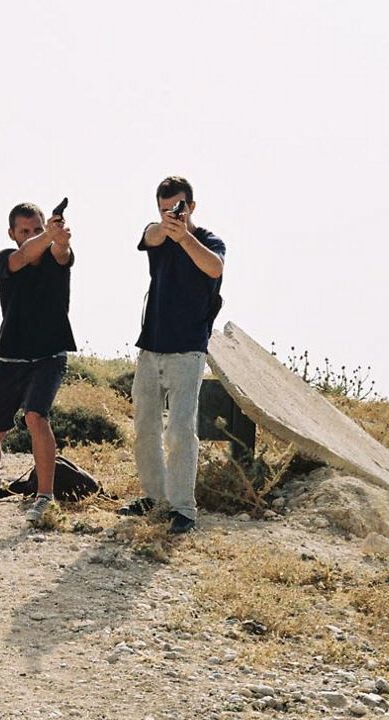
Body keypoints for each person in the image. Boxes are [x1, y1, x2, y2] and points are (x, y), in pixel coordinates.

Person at [0, 202, 74, 525]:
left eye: (37, 229)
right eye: (26, 231)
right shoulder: (4, 258)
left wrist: (59, 238)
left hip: (49, 356)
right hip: (9, 359)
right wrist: (48, 235)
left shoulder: (56, 256)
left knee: (36, 416)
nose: (33, 235)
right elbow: (21, 258)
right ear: (12, 234)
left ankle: (45, 497)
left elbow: (62, 251)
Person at [120, 176, 225, 534]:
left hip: (187, 351)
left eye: (178, 207)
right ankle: (154, 498)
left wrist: (185, 237)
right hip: (150, 348)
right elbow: (148, 235)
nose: (172, 214)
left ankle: (183, 508)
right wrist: (167, 229)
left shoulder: (208, 241)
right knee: (145, 427)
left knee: (180, 430)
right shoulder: (159, 236)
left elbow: (215, 267)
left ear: (191, 206)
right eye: (165, 209)